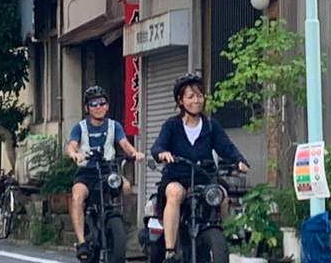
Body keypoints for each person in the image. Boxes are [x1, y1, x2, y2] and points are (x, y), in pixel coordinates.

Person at [151, 73, 249, 263]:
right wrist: (162, 153)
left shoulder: (212, 125)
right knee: (174, 194)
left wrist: (239, 161)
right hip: (178, 177)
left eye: (199, 96)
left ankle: (221, 235)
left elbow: (226, 147)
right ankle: (170, 251)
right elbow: (157, 147)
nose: (196, 100)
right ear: (180, 100)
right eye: (190, 96)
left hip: (205, 177)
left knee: (222, 195)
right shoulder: (171, 125)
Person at [66, 86, 145, 261]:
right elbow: (71, 145)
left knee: (126, 187)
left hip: (109, 171)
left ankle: (117, 220)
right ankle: (81, 242)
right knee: (78, 196)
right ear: (87, 108)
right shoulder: (79, 127)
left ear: (107, 106)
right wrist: (74, 154)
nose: (98, 106)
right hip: (86, 172)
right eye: (93, 103)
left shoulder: (114, 126)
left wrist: (134, 153)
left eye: (102, 103)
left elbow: (124, 143)